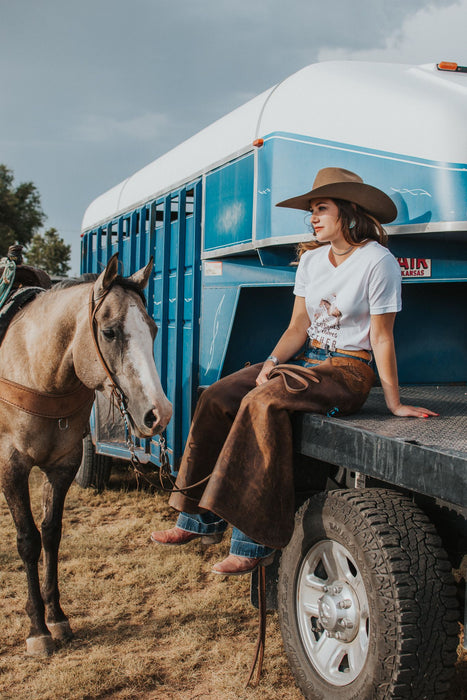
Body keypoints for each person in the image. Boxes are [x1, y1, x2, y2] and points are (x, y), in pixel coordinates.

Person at [150, 167, 437, 575]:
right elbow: (297, 327)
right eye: (311, 211)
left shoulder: (379, 262)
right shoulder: (311, 260)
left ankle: (252, 544)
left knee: (262, 404)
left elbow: (382, 337)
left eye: (322, 209)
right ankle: (195, 520)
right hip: (303, 362)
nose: (313, 218)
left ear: (349, 212)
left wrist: (394, 403)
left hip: (348, 369)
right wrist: (269, 364)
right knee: (216, 396)